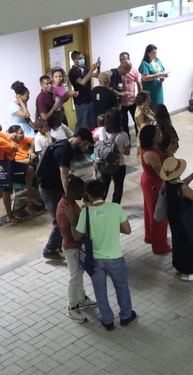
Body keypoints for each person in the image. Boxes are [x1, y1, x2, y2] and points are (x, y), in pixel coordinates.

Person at [66, 179, 134, 330]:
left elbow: (77, 236)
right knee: (122, 287)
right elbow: (128, 230)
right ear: (103, 193)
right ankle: (126, 316)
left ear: (88, 195)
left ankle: (108, 320)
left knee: (100, 291)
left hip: (95, 260)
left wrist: (72, 219)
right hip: (115, 257)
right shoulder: (115, 208)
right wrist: (112, 228)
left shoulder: (86, 212)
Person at [36, 127, 93, 262]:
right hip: (50, 189)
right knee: (59, 220)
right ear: (79, 138)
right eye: (84, 143)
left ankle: (57, 246)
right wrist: (69, 197)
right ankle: (49, 250)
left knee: (61, 217)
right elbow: (64, 176)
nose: (84, 147)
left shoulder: (63, 143)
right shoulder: (65, 151)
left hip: (49, 185)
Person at [53, 176, 97, 323]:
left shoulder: (71, 203)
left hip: (78, 247)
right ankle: (72, 307)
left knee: (79, 274)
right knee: (75, 277)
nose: (84, 193)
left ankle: (81, 298)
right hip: (71, 249)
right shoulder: (64, 209)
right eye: (82, 191)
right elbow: (68, 236)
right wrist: (77, 221)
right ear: (74, 191)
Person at [0, 119, 40, 223]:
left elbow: (6, 137)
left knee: (30, 170)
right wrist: (12, 140)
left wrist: (9, 137)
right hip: (4, 166)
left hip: (9, 163)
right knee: (7, 191)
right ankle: (10, 215)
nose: (0, 125)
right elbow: (15, 148)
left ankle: (29, 196)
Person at [158, 156, 193, 281]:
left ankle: (179, 268)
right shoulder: (182, 188)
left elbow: (182, 184)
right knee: (188, 245)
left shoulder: (167, 183)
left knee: (177, 243)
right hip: (185, 219)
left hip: (174, 218)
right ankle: (187, 273)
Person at [138, 125, 170, 255]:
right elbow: (161, 173)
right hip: (155, 184)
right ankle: (160, 245)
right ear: (152, 138)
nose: (160, 134)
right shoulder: (151, 154)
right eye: (158, 133)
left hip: (148, 181)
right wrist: (169, 155)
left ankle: (150, 236)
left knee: (150, 211)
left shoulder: (150, 148)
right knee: (159, 214)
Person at [35, 75, 76, 141]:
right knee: (65, 143)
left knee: (74, 137)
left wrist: (68, 95)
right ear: (41, 85)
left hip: (58, 122)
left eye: (51, 83)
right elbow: (44, 117)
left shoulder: (50, 93)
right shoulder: (41, 98)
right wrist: (54, 107)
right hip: (52, 127)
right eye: (47, 84)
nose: (50, 85)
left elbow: (60, 101)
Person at [68, 50, 100, 131]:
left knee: (91, 122)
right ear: (75, 60)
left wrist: (98, 68)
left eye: (83, 57)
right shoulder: (72, 72)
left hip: (89, 99)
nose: (83, 59)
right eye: (80, 58)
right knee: (81, 123)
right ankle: (78, 139)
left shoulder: (85, 69)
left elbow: (96, 75)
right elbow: (82, 82)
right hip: (80, 102)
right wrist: (90, 71)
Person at [117, 52, 143, 136]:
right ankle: (127, 142)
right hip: (121, 103)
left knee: (137, 120)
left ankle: (139, 138)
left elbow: (139, 84)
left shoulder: (134, 71)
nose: (122, 61)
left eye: (123, 59)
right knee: (124, 123)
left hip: (133, 101)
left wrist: (140, 98)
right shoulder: (117, 72)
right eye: (120, 60)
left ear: (128, 59)